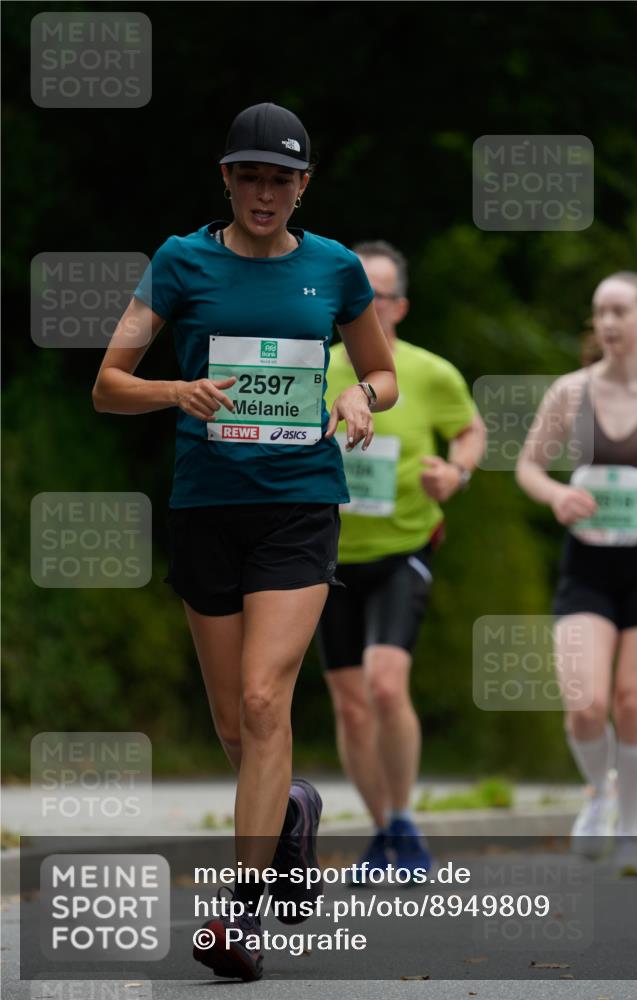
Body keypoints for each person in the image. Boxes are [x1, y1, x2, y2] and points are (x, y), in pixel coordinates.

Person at [92, 103, 397, 979]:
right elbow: (110, 385)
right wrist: (176, 391)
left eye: (282, 177)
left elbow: (379, 372)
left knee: (267, 705)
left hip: (299, 507)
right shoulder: (180, 262)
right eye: (250, 175)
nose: (265, 192)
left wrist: (359, 399)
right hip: (206, 510)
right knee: (234, 726)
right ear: (226, 178)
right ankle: (292, 808)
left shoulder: (336, 270)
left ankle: (239, 916)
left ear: (304, 185)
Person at [317, 241, 486, 877]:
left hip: (403, 549)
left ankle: (407, 819)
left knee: (386, 683)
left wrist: (458, 471)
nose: (369, 302)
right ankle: (383, 827)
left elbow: (471, 430)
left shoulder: (429, 372)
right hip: (327, 558)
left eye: (381, 293)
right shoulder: (317, 368)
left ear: (401, 306)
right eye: (358, 290)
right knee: (350, 704)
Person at [516, 271, 637, 877]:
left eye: (621, 312)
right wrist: (556, 496)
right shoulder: (571, 392)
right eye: (600, 312)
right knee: (586, 704)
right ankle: (599, 792)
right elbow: (529, 466)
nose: (608, 323)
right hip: (589, 563)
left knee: (633, 704)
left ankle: (631, 832)